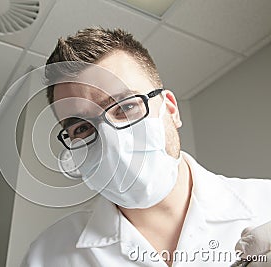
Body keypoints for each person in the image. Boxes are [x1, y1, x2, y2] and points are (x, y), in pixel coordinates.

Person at [21, 28, 271, 266]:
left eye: (127, 107)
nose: (110, 141)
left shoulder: (265, 205)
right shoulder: (47, 256)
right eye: (82, 128)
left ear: (171, 110)